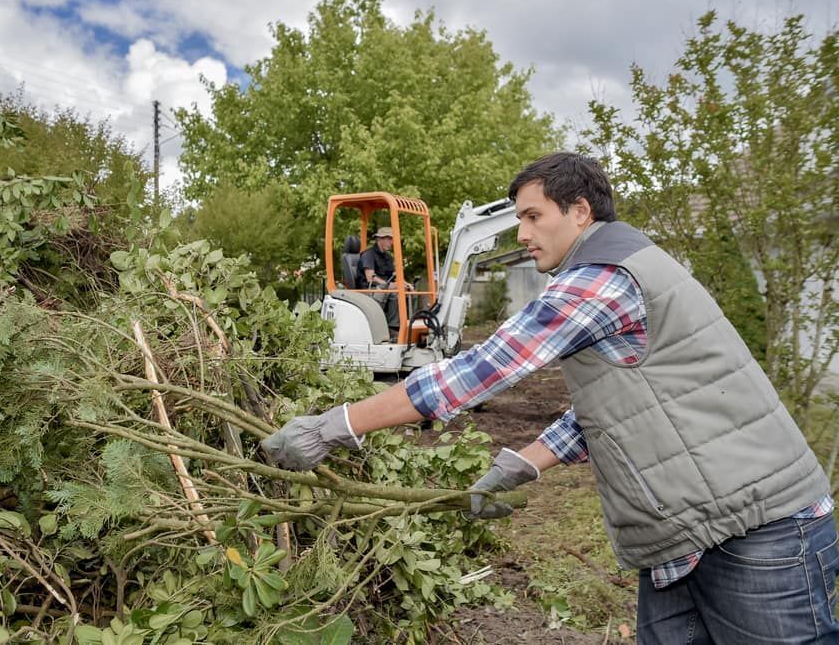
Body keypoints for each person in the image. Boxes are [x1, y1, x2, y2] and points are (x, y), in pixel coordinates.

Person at [263, 152, 839, 642]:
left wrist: (334, 425)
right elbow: (616, 403)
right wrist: (521, 465)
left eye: (533, 216)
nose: (523, 233)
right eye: (519, 219)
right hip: (689, 536)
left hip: (760, 535)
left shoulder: (603, 275)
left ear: (580, 211)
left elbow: (481, 370)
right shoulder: (613, 266)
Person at [355, 226, 412, 340]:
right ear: (380, 239)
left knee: (406, 291)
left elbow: (395, 275)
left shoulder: (387, 257)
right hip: (369, 289)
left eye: (392, 239)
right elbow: (370, 277)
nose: (392, 242)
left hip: (383, 288)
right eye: (389, 239)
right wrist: (387, 285)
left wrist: (406, 283)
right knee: (394, 293)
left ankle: (404, 324)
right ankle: (392, 328)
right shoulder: (368, 254)